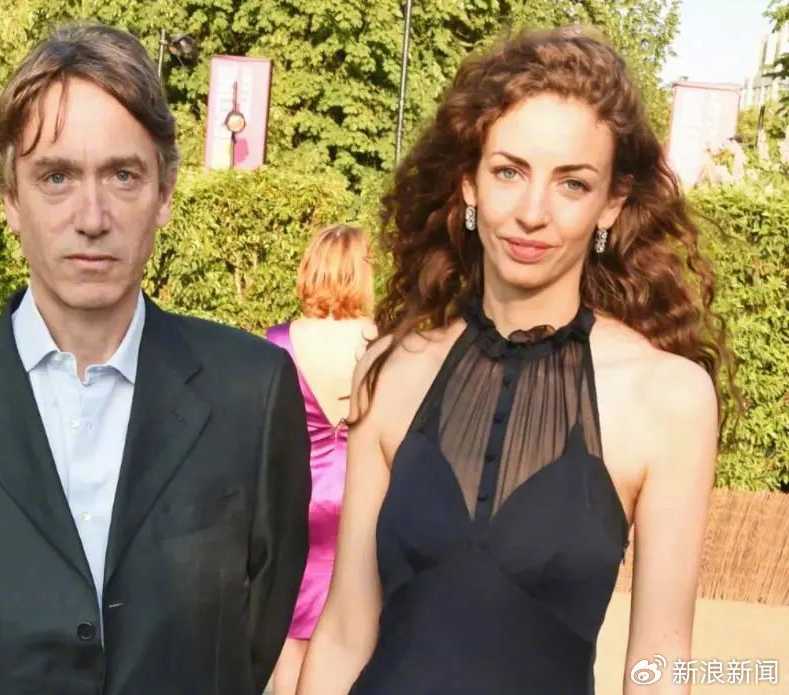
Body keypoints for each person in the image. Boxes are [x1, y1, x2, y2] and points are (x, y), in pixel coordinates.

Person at [0, 23, 311, 695]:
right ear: (11, 197)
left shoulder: (251, 395)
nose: (92, 216)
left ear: (164, 193)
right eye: (56, 177)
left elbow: (253, 637)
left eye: (122, 175)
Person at [298, 27, 729, 694]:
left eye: (572, 183)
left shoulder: (668, 398)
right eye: (509, 171)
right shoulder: (392, 369)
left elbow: (661, 663)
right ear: (469, 182)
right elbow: (345, 632)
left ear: (612, 202)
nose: (533, 212)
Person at [265, 224, 376, 695]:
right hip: (362, 495)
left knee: (291, 637)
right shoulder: (381, 343)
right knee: (355, 627)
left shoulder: (278, 341)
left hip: (299, 497)